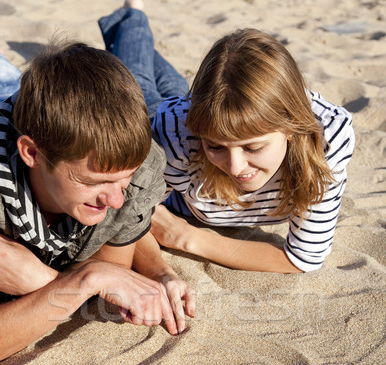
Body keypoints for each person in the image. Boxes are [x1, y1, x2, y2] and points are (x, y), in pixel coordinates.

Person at [99, 2, 355, 274]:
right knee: (137, 83)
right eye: (216, 146)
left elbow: (304, 258)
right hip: (166, 120)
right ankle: (134, 13)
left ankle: (131, 20)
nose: (235, 167)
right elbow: (127, 220)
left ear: (291, 126)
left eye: (253, 147)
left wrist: (188, 237)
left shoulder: (327, 138)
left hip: (191, 119)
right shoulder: (173, 135)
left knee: (163, 85)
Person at [0, 38, 195, 365]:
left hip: (31, 125)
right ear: (32, 153)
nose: (115, 199)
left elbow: (112, 272)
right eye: (93, 182)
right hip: (0, 128)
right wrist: (84, 281)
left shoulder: (137, 165)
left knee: (4, 80)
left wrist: (59, 281)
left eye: (123, 178)